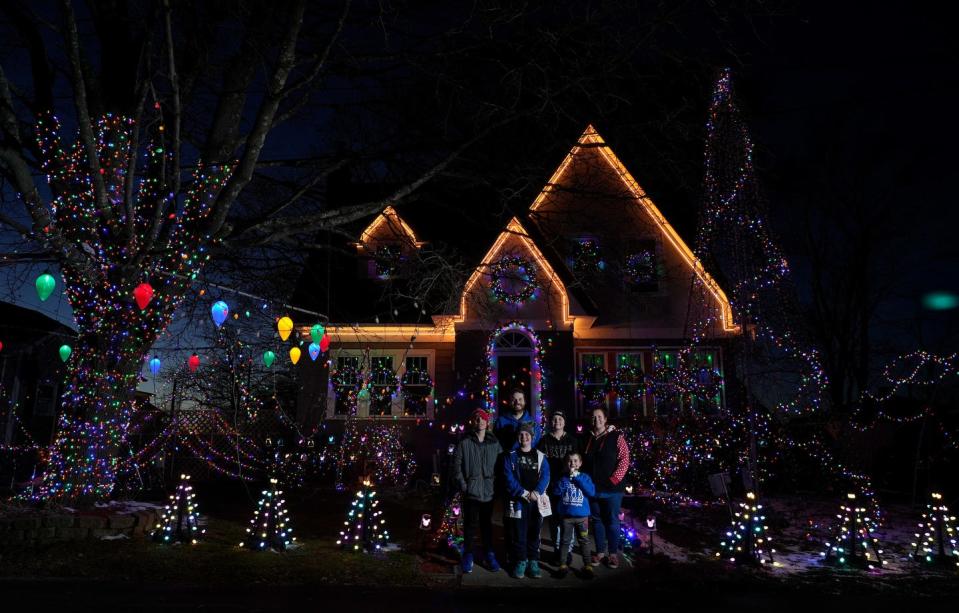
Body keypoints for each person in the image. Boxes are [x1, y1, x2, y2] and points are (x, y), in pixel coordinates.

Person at [452, 408, 503, 573]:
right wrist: (464, 485)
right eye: (477, 419)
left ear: (487, 422)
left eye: (483, 418)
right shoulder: (465, 442)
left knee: (487, 525)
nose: (480, 421)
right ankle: (468, 554)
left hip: (488, 492)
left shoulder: (495, 443)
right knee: (470, 525)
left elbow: (502, 465)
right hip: (471, 492)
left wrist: (495, 484)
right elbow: (457, 466)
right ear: (473, 422)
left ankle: (489, 553)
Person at [582, 405, 630, 568]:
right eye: (594, 417)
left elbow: (625, 459)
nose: (597, 420)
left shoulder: (616, 436)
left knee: (612, 521)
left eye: (600, 416)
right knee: (597, 521)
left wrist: (614, 479)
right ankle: (600, 552)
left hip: (612, 489)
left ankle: (613, 554)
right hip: (594, 489)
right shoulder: (588, 439)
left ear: (605, 419)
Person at [502, 421, 550, 579]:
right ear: (518, 436)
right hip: (519, 502)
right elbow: (508, 478)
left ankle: (533, 561)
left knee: (534, 532)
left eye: (527, 434)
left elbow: (545, 476)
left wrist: (536, 492)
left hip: (536, 501)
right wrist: (523, 493)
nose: (524, 437)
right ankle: (521, 560)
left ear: (532, 437)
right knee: (519, 532)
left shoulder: (541, 457)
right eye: (521, 434)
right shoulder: (511, 456)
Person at [536, 409, 578, 565]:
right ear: (550, 422)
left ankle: (567, 551)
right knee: (554, 521)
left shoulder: (572, 441)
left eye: (560, 419)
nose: (557, 422)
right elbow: (539, 464)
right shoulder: (544, 441)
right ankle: (557, 549)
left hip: (568, 486)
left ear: (564, 422)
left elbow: (577, 463)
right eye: (554, 419)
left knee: (568, 519)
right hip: (551, 486)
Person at [551, 452, 595, 579]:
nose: (573, 464)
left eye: (575, 461)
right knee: (565, 541)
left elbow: (591, 492)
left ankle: (588, 566)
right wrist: (565, 481)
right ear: (566, 463)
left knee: (584, 541)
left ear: (580, 463)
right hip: (566, 518)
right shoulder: (563, 477)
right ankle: (563, 565)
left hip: (582, 518)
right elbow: (556, 492)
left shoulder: (585, 477)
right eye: (570, 461)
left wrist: (577, 478)